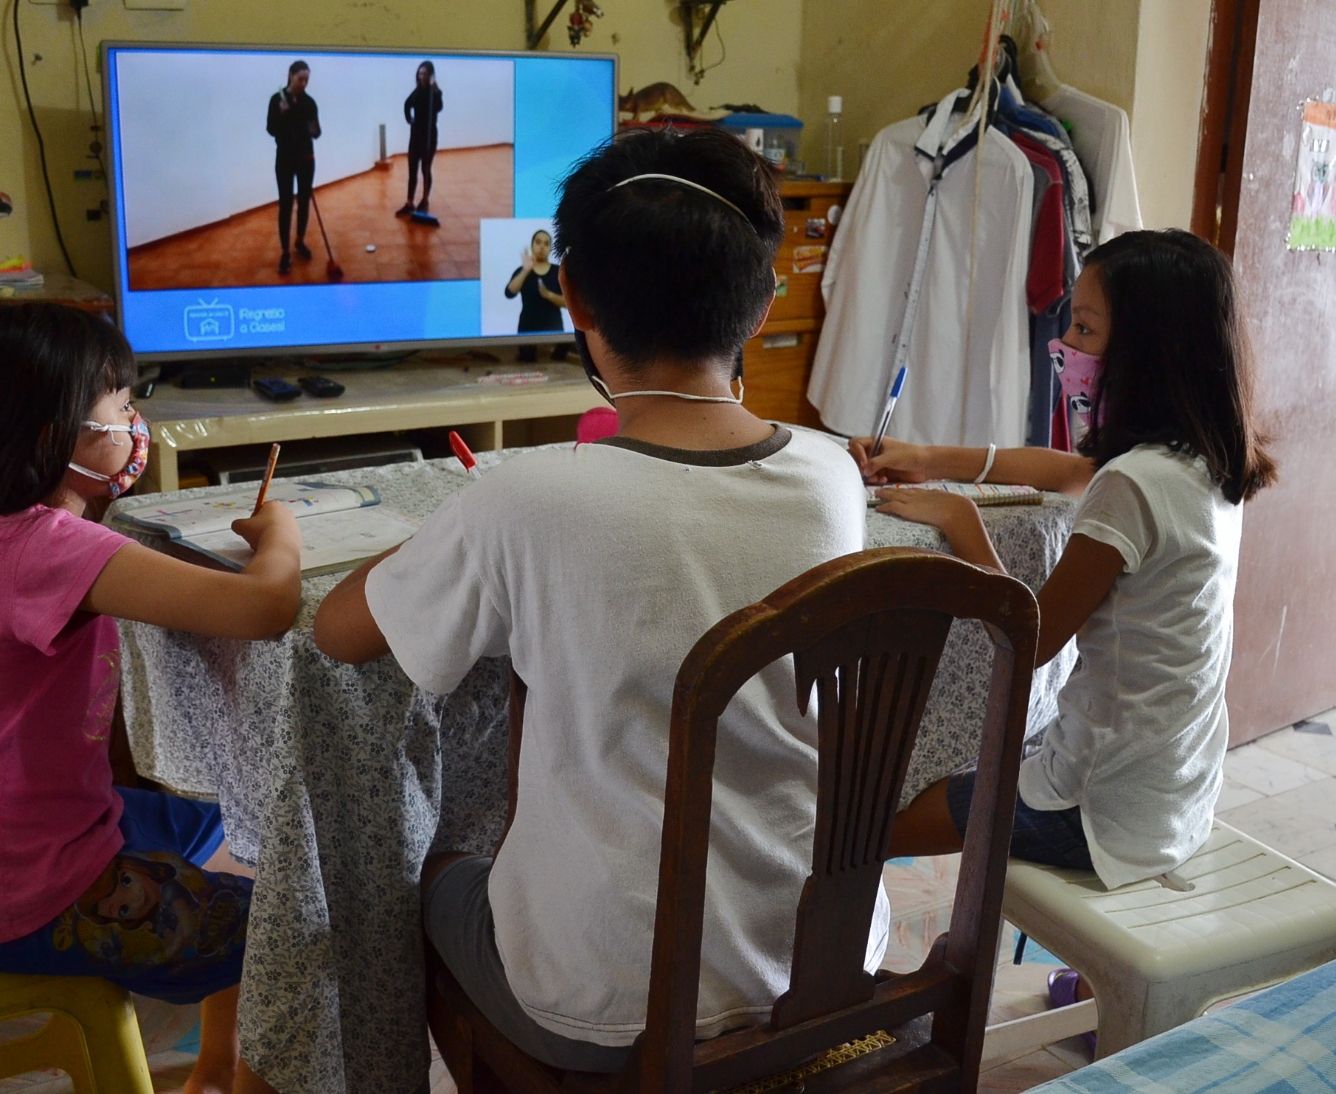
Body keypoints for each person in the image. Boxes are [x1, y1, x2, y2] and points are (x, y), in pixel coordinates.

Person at [312, 127, 889, 1073]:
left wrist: (449, 531)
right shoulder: (832, 474)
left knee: (434, 876)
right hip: (822, 964)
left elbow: (341, 634)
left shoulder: (527, 497)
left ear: (570, 294)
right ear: (761, 303)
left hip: (604, 1003)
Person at [0, 303, 303, 1094]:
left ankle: (213, 1073)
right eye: (120, 409)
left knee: (241, 835)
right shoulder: (47, 549)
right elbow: (266, 609)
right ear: (58, 434)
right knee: (297, 931)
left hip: (2, 847)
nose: (135, 425)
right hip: (23, 892)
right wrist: (278, 531)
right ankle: (243, 1081)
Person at [865, 230, 1275, 1009]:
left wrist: (961, 523)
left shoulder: (1135, 484)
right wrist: (930, 455)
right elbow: (1062, 470)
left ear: (1146, 350)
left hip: (1099, 811)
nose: (1065, 345)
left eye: (1085, 330)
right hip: (1174, 794)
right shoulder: (1207, 462)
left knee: (877, 822)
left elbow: (1028, 639)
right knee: (971, 770)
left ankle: (861, 992)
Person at [267, 60, 321, 277]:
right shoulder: (276, 100)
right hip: (285, 159)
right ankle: (286, 252)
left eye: (307, 79)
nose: (304, 83)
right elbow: (271, 129)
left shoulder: (309, 102)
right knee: (286, 204)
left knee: (304, 201)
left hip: (306, 158)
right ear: (290, 76)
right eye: (300, 79)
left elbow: (316, 132)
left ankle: (299, 241)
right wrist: (282, 114)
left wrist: (312, 127)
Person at [503, 228, 567, 363]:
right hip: (527, 331)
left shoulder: (558, 272)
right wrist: (526, 270)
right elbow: (509, 293)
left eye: (546, 244)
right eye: (538, 242)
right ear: (532, 246)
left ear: (550, 249)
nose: (542, 247)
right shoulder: (522, 270)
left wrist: (549, 295)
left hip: (554, 332)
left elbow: (570, 303)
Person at [395, 60, 443, 218]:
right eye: (420, 73)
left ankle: (424, 199)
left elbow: (439, 107)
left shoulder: (434, 93)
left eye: (424, 73)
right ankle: (409, 203)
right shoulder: (416, 92)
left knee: (425, 169)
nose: (421, 76)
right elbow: (406, 104)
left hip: (430, 136)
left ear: (430, 75)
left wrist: (434, 89)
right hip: (416, 136)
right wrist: (409, 119)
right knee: (412, 170)